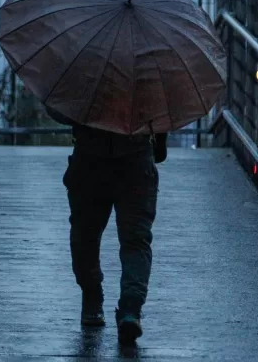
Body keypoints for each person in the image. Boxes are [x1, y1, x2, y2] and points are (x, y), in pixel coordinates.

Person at [45, 104, 167, 343]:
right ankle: (130, 310)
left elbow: (58, 109)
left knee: (85, 236)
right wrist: (159, 142)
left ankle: (92, 299)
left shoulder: (85, 69)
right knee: (136, 240)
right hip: (136, 162)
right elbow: (162, 111)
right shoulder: (146, 71)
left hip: (90, 160)